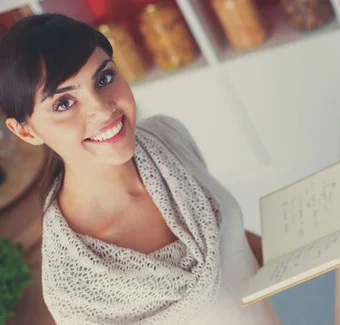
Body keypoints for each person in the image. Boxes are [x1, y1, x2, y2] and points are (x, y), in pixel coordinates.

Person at [0, 14, 281, 325]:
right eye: (64, 103)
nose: (104, 109)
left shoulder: (168, 136)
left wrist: (309, 251)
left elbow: (231, 239)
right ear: (26, 132)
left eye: (104, 78)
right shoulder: (72, 287)